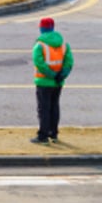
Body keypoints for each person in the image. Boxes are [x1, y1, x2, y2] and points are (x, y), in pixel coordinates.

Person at [31, 16, 74, 144]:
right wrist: (62, 75)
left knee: (43, 109)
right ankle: (53, 133)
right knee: (54, 107)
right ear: (53, 28)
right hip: (58, 83)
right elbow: (69, 61)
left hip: (44, 82)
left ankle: (43, 136)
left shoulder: (39, 45)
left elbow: (40, 63)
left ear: (41, 28)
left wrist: (52, 74)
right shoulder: (64, 44)